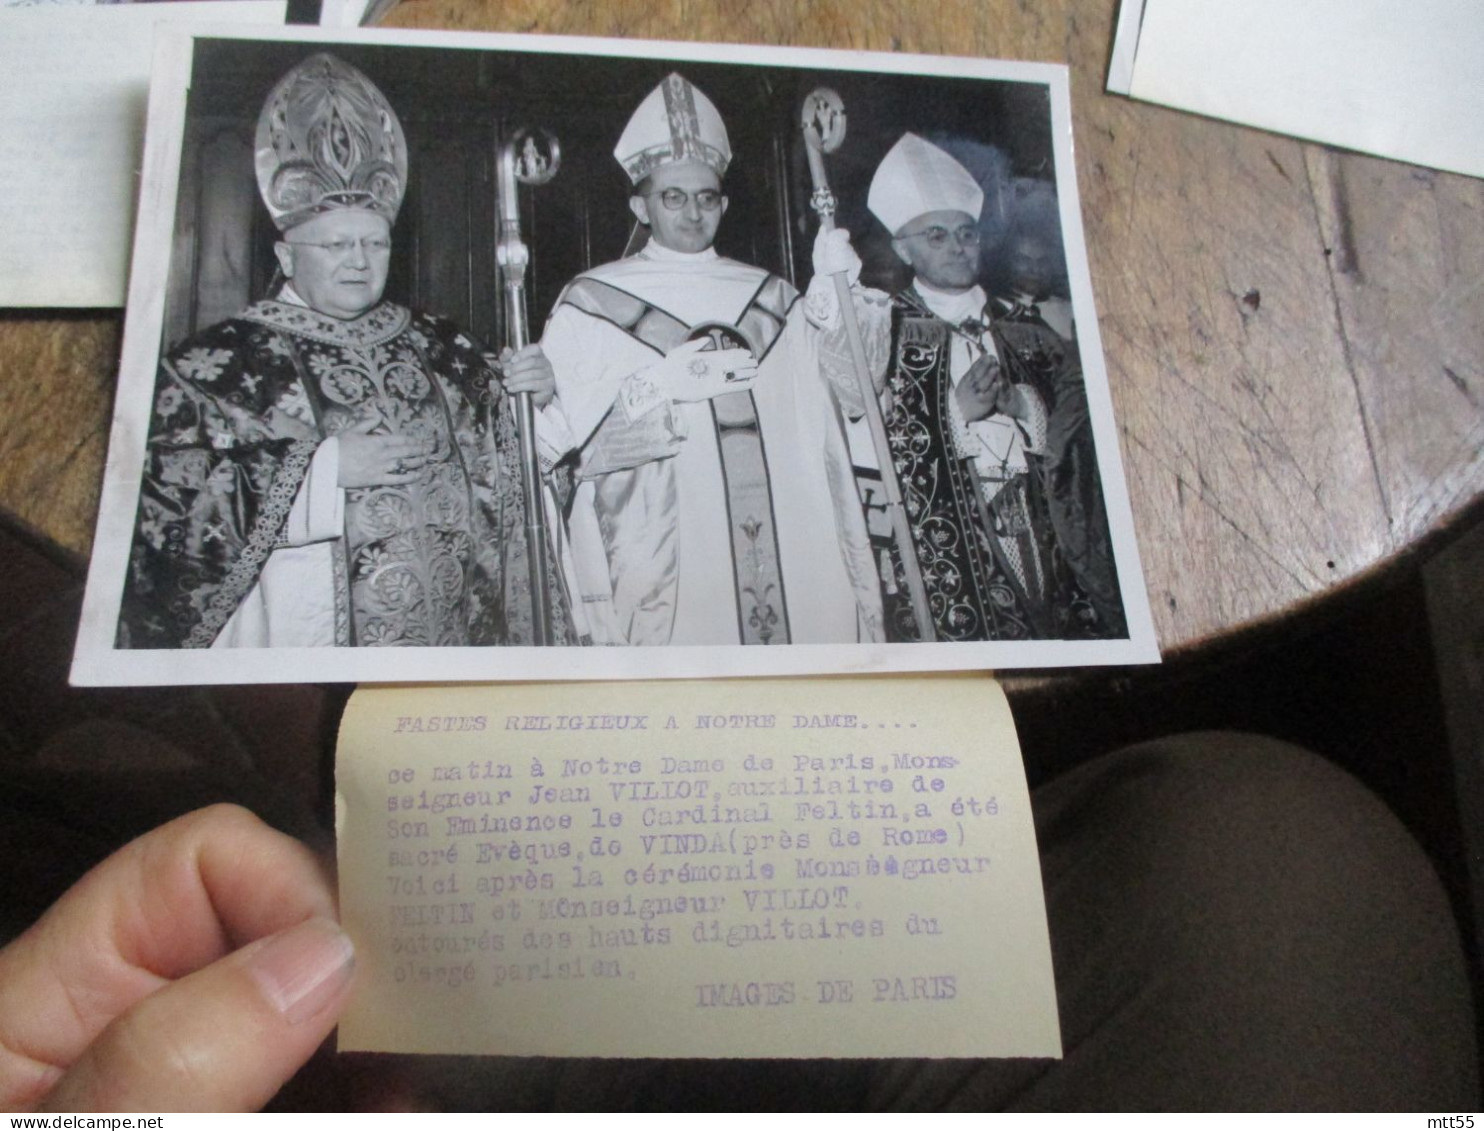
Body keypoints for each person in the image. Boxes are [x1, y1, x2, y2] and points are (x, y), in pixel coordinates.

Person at [117, 53, 570, 650]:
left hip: (458, 640)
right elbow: (161, 516)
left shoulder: (447, 350)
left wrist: (534, 405)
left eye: (374, 243)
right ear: (285, 257)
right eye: (335, 245)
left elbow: (522, 484)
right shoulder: (218, 368)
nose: (358, 261)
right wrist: (318, 474)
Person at [537, 73, 882, 647]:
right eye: (673, 197)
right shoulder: (590, 302)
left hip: (793, 550)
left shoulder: (773, 295)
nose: (693, 213)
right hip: (668, 557)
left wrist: (836, 300)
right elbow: (561, 450)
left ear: (723, 202)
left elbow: (849, 400)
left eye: (706, 198)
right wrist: (656, 387)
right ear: (639, 206)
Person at [839, 133, 1123, 642]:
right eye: (936, 236)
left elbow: (1087, 444)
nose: (957, 247)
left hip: (1045, 529)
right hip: (951, 544)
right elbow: (861, 447)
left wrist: (1025, 407)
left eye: (966, 234)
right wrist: (953, 414)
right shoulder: (884, 333)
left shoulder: (1028, 333)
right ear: (903, 247)